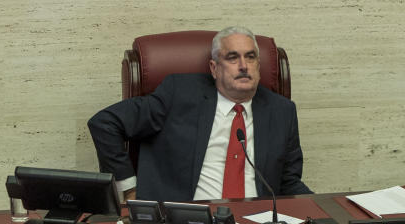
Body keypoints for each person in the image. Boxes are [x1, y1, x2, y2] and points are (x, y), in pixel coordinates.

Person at [88, 27, 310, 202]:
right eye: (233, 58)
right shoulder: (179, 94)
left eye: (250, 57)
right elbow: (105, 123)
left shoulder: (282, 111)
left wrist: (324, 209)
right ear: (214, 68)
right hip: (186, 217)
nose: (243, 66)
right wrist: (128, 190)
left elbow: (288, 182)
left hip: (256, 218)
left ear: (259, 66)